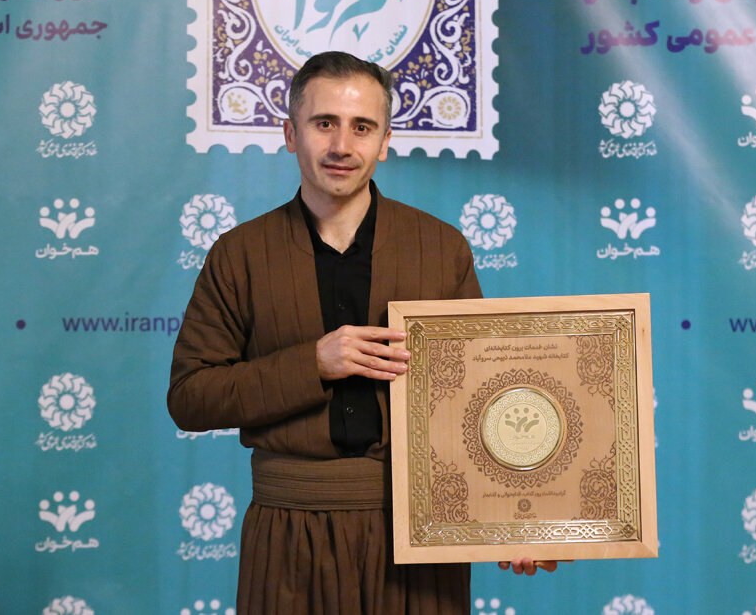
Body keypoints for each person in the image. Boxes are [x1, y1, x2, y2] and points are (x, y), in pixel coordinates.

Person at [168, 52, 554, 615]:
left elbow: (481, 402)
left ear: (385, 141)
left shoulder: (441, 247)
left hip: (421, 532)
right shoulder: (239, 254)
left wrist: (516, 519)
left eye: (362, 127)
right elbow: (190, 398)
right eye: (324, 123)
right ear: (290, 134)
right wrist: (312, 364)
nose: (342, 145)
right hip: (288, 536)